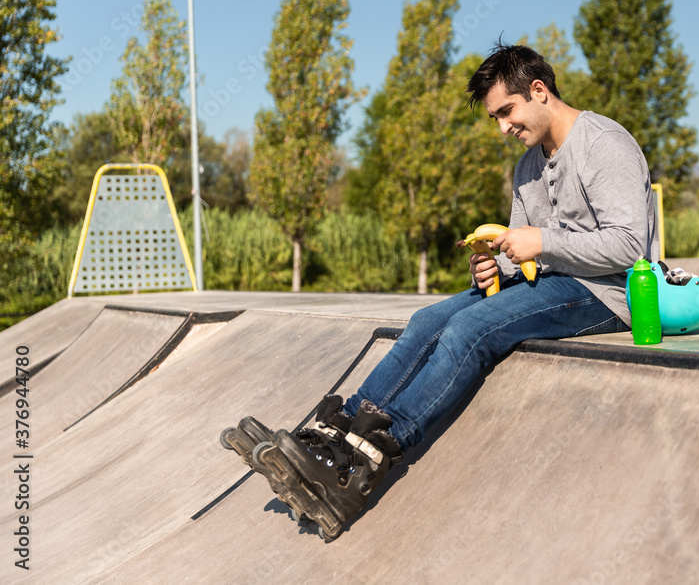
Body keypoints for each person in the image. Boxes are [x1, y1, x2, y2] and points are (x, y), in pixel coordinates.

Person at [222, 40, 659, 541]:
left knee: (469, 329)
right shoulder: (526, 168)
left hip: (607, 293)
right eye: (496, 117)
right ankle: (334, 441)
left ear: (539, 91)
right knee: (429, 320)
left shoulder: (604, 142)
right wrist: (494, 268)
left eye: (507, 112)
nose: (503, 127)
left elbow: (630, 246)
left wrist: (539, 241)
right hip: (554, 283)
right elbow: (524, 256)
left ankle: (367, 465)